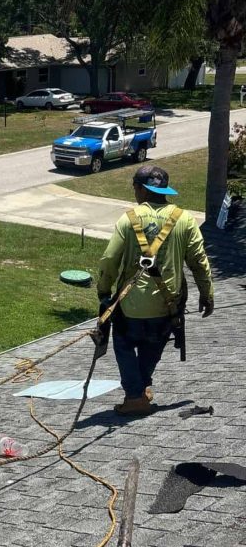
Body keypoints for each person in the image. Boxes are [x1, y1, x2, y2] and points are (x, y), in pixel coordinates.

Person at [97, 165, 214, 416]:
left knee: (124, 344)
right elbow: (199, 262)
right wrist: (207, 293)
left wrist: (104, 292)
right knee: (153, 345)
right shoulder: (184, 219)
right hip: (166, 305)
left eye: (135, 188)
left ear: (141, 189)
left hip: (131, 306)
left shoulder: (128, 219)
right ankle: (142, 387)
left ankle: (135, 396)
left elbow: (109, 260)